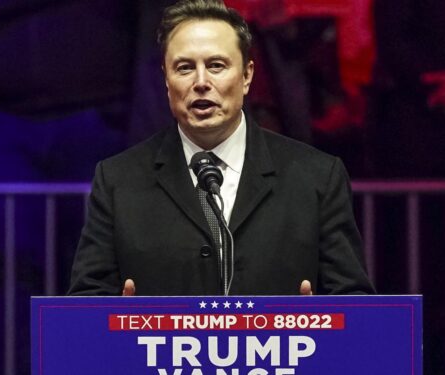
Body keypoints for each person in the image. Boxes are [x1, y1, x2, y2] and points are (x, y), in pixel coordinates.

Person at [68, 0, 374, 297]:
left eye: (216, 65)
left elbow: (355, 302)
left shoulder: (317, 177)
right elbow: (85, 305)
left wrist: (320, 320)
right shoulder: (119, 180)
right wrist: (116, 319)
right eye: (185, 68)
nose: (201, 82)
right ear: (165, 79)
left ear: (246, 76)